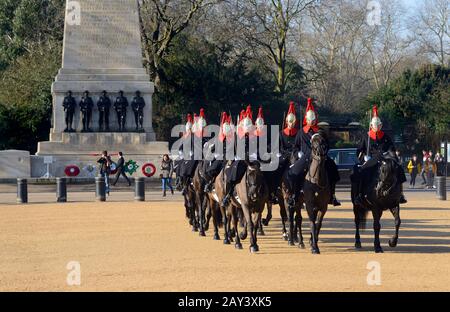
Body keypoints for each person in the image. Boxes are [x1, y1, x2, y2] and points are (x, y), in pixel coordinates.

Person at [285, 98, 341, 206]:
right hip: (306, 157)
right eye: (310, 119)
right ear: (306, 119)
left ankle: (332, 195)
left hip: (320, 156)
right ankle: (295, 195)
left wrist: (324, 152)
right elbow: (295, 147)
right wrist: (298, 154)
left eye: (313, 119)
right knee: (295, 172)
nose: (312, 121)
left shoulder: (321, 132)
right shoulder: (301, 132)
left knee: (332, 168)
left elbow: (327, 145)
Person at [353, 105, 407, 205]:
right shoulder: (366, 136)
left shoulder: (385, 136)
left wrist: (391, 153)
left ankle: (400, 194)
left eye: (378, 125)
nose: (377, 127)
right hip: (371, 159)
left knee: (398, 168)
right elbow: (359, 149)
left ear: (381, 125)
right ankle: (359, 195)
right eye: (375, 125)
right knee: (361, 172)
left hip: (384, 158)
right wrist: (363, 157)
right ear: (371, 125)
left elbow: (391, 147)